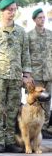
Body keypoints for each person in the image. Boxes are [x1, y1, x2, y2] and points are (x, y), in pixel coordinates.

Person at [0, 0, 32, 153]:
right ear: (2, 11)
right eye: (9, 10)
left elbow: (25, 54)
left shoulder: (21, 32)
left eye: (14, 9)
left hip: (16, 77)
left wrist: (26, 74)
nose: (12, 13)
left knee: (12, 110)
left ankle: (10, 141)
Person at [26, 8, 51, 138]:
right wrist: (27, 75)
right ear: (34, 20)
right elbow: (25, 55)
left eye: (43, 17)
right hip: (36, 74)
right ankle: (36, 126)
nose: (42, 19)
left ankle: (45, 127)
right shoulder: (29, 36)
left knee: (47, 100)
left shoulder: (50, 35)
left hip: (49, 73)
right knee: (36, 101)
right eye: (39, 18)